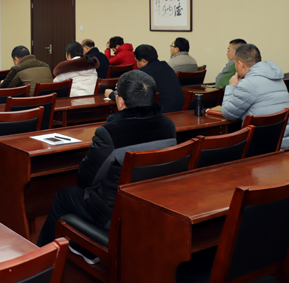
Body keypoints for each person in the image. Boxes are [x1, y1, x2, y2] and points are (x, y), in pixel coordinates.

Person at [37, 71, 176, 249]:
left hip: (112, 212)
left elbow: (87, 180)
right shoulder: (168, 126)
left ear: (120, 101)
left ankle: (45, 253)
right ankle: (83, 249)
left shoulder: (110, 133)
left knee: (62, 196)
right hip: (150, 204)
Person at [222, 44, 289, 148]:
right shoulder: (277, 78)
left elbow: (228, 113)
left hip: (267, 146)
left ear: (240, 64)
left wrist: (231, 86)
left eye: (235, 64)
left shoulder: (248, 83)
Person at [106, 44, 184, 113]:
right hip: (178, 109)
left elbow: (130, 97)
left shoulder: (143, 73)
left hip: (161, 112)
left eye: (137, 61)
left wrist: (112, 94)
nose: (137, 64)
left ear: (143, 61)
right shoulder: (166, 66)